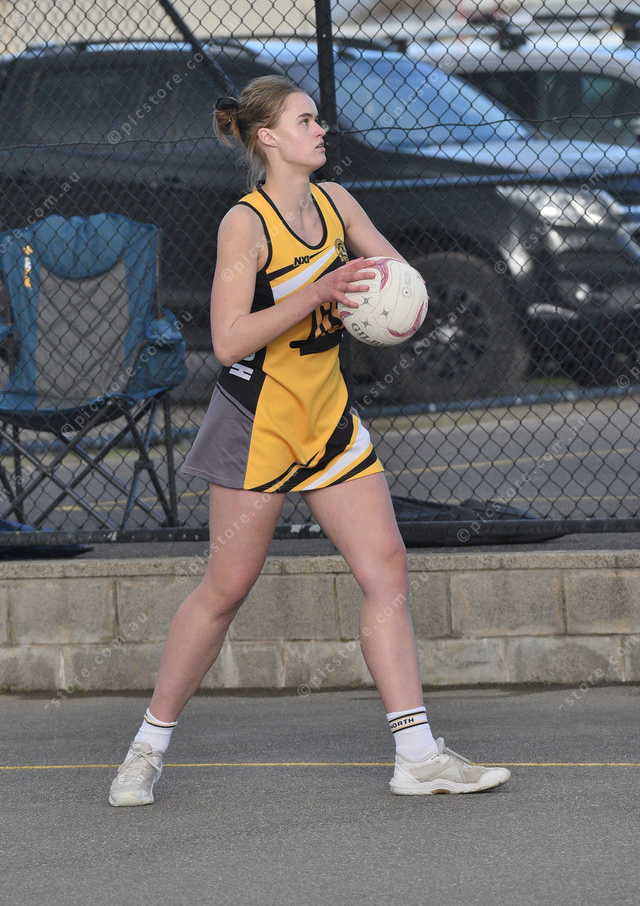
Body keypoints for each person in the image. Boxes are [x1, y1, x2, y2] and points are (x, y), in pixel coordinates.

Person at [108, 75, 510, 806]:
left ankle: (417, 756)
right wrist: (318, 292)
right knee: (226, 589)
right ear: (267, 137)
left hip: (327, 417)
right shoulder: (247, 224)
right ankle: (146, 748)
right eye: (305, 120)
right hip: (258, 422)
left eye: (318, 118)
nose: (321, 129)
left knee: (386, 569)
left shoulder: (336, 203)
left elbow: (396, 276)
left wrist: (395, 301)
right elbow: (229, 339)